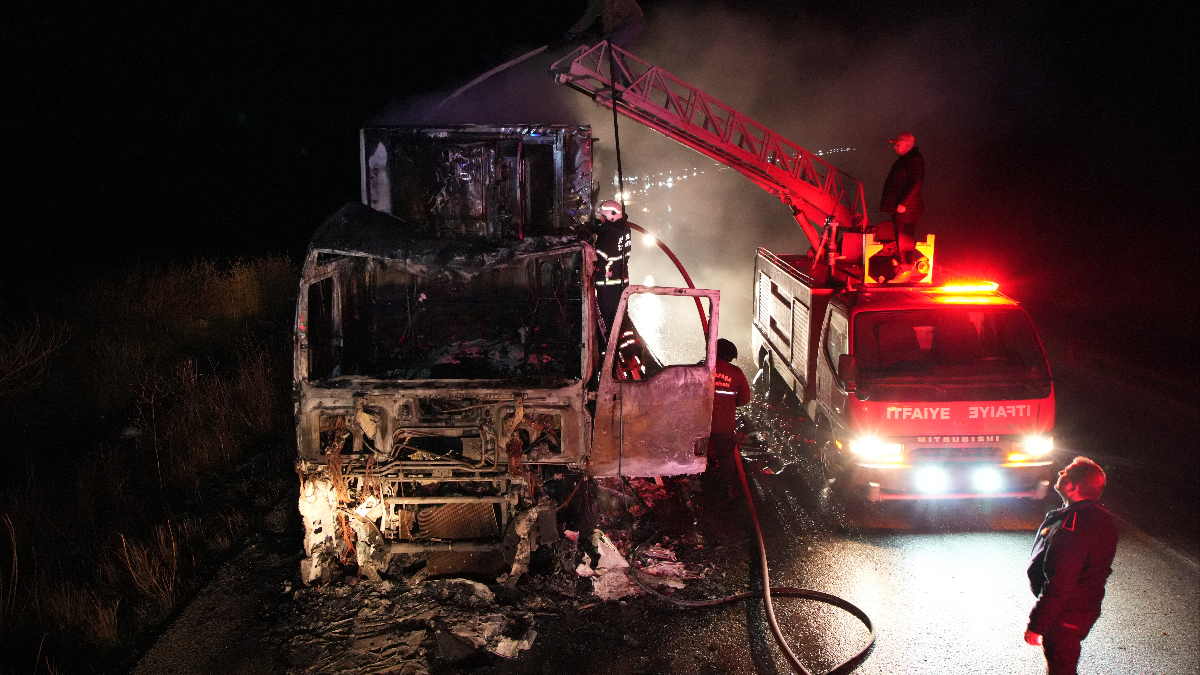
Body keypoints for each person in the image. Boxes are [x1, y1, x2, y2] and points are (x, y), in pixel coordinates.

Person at [1025, 456, 1119, 675]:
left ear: (1072, 487)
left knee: (1061, 667)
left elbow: (1060, 583)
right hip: (1080, 609)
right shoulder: (1098, 518)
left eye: (1065, 472)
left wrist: (1036, 624)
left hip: (1065, 614)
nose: (1060, 473)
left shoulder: (1072, 527)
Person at [707, 339, 752, 500]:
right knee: (726, 458)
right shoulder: (736, 373)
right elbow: (745, 398)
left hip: (700, 424)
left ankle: (701, 486)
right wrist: (729, 404)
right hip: (724, 426)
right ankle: (730, 489)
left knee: (699, 455)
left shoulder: (701, 369)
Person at [879, 131, 925, 267]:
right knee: (902, 239)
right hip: (902, 209)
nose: (895, 147)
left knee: (905, 241)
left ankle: (906, 269)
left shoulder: (914, 160)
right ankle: (903, 267)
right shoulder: (906, 159)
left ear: (907, 144)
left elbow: (917, 183)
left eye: (897, 144)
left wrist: (903, 203)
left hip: (908, 210)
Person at [592, 200, 631, 336]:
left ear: (611, 216)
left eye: (603, 217)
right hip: (620, 281)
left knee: (610, 320)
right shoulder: (623, 229)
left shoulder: (609, 234)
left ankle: (612, 350)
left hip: (608, 284)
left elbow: (600, 257)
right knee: (620, 317)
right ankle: (625, 348)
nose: (601, 220)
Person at [565, 0, 645, 50]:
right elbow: (587, 18)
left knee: (613, 46)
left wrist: (608, 33)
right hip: (626, 22)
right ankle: (626, 77)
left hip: (633, 19)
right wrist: (573, 30)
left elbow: (608, 14)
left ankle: (616, 77)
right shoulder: (595, 3)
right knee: (617, 54)